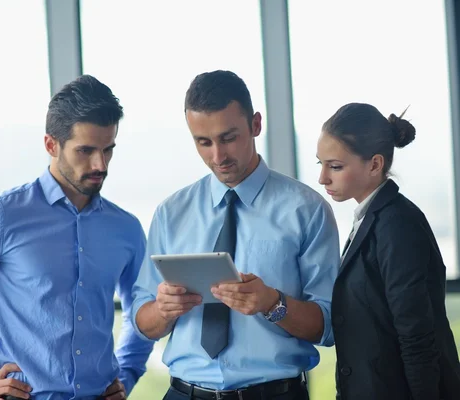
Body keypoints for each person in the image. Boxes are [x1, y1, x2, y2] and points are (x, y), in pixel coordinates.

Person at [0, 75, 154, 400]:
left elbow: (143, 310)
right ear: (51, 145)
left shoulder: (126, 228)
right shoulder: (0, 216)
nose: (99, 164)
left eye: (108, 150)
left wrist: (128, 374)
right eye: (85, 150)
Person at [131, 70, 340, 400]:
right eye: (204, 142)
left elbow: (328, 325)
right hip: (183, 393)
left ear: (255, 125)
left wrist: (273, 303)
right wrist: (163, 310)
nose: (218, 156)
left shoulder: (307, 210)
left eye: (228, 138)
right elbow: (143, 322)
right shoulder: (171, 213)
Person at [316, 102, 460, 400]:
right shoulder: (371, 217)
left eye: (336, 166)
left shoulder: (397, 224)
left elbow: (416, 334)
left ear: (374, 164)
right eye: (321, 164)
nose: (323, 178)